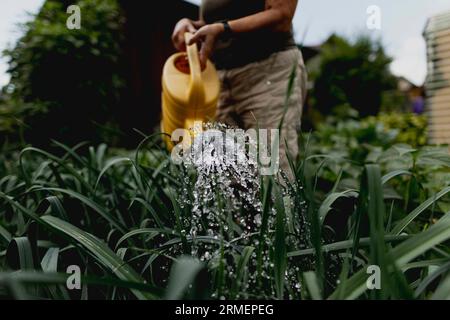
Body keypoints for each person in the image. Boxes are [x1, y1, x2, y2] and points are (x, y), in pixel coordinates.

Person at [172, 0, 307, 179]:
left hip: (267, 72)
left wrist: (224, 28)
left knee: (272, 175)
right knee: (225, 179)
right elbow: (215, 22)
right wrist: (188, 25)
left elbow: (281, 15)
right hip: (221, 80)